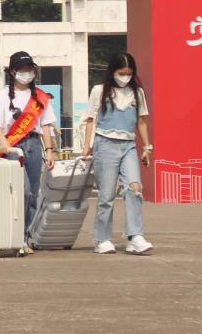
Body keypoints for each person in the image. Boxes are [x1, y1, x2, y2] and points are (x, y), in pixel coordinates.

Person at [81, 53, 154, 255]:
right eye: (121, 73)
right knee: (106, 195)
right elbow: (90, 119)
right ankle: (102, 239)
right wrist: (87, 146)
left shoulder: (137, 92)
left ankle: (135, 236)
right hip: (105, 144)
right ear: (112, 71)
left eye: (129, 73)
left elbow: (141, 122)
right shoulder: (99, 91)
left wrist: (147, 147)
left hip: (129, 145)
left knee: (134, 188)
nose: (125, 77)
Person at [0, 51, 57, 240]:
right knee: (23, 191)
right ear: (13, 72)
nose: (26, 73)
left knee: (34, 193)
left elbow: (45, 125)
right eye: (22, 69)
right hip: (13, 147)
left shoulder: (40, 97)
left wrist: (49, 151)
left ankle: (27, 236)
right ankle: (15, 233)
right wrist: (3, 141)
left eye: (29, 69)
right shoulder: (4, 96)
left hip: (34, 144)